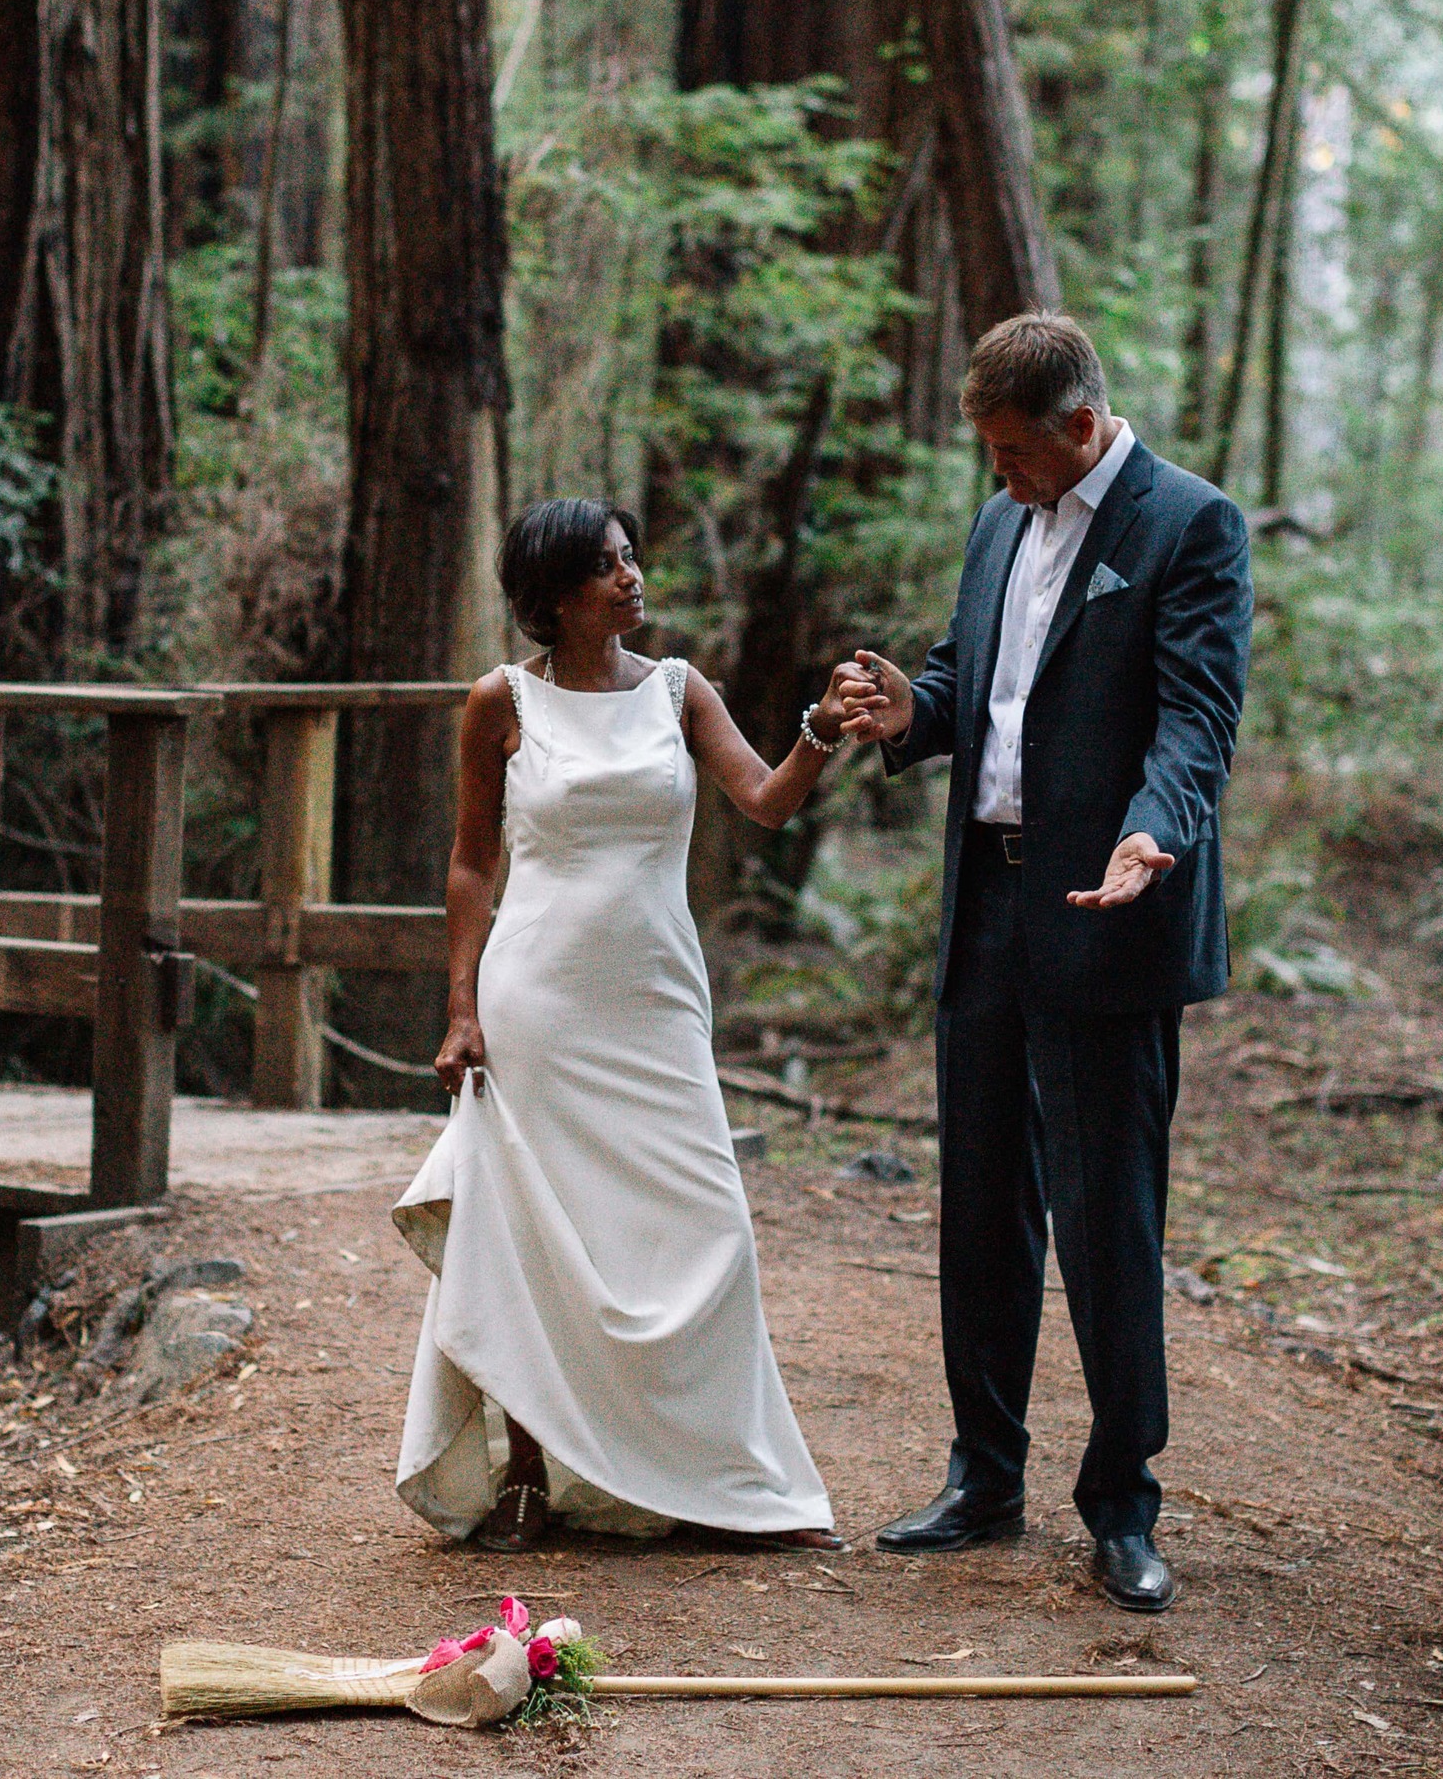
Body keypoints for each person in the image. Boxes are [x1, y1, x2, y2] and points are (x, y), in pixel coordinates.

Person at [839, 312, 1251, 1613]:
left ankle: (1121, 1504)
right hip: (987, 911)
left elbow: (1197, 717)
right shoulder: (996, 520)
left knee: (1107, 1218)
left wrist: (1151, 829)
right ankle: (982, 1472)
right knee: (980, 1204)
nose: (998, 475)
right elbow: (975, 684)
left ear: (1080, 427)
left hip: (1106, 909)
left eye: (1014, 452)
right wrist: (912, 707)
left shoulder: (1187, 525)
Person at [392, 497, 854, 1554]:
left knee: (705, 1231)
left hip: (653, 1000)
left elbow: (767, 800)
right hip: (536, 1004)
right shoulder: (499, 702)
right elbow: (473, 863)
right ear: (553, 596)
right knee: (534, 1242)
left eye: (630, 557)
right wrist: (461, 1008)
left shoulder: (681, 693)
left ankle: (728, 1481)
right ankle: (525, 1479)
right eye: (605, 566)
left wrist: (818, 731)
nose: (631, 576)